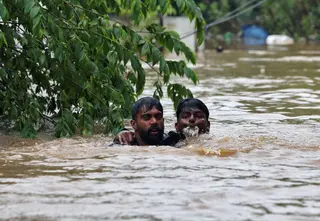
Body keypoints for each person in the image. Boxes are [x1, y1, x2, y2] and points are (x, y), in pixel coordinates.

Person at [113, 97, 210, 146]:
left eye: (158, 116)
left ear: (163, 120)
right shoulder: (123, 144)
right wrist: (121, 133)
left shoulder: (172, 140)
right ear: (134, 124)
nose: (154, 121)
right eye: (147, 117)